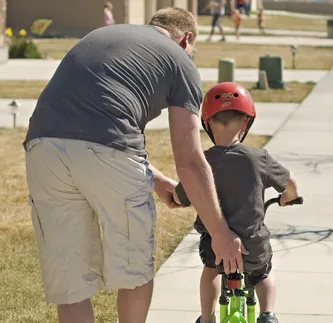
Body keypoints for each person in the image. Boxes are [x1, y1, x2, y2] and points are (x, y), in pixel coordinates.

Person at [24, 7, 248, 323]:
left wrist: (156, 180)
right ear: (187, 39)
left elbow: (90, 123)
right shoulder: (179, 57)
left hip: (41, 147)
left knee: (71, 281)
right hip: (108, 153)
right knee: (134, 269)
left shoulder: (103, 35)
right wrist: (220, 233)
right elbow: (190, 162)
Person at [173, 82, 299, 323]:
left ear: (207, 123)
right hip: (252, 242)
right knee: (262, 274)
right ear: (246, 122)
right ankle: (267, 314)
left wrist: (178, 198)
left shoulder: (202, 162)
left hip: (214, 242)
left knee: (211, 270)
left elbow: (181, 194)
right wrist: (288, 197)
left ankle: (207, 318)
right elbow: (291, 183)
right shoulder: (258, 158)